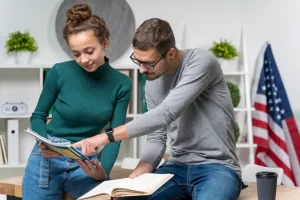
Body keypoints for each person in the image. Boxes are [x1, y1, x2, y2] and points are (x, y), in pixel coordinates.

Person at [74, 18, 244, 200]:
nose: (141, 70)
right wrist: (139, 173)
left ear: (170, 53)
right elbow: (156, 137)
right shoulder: (152, 83)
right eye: (137, 61)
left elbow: (166, 113)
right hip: (175, 167)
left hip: (217, 167)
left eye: (148, 63)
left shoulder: (201, 62)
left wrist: (107, 137)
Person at [22, 3, 132, 200]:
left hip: (85, 160)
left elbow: (114, 135)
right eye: (76, 53)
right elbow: (38, 116)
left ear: (105, 44)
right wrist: (43, 141)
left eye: (89, 51)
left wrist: (103, 171)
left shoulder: (122, 83)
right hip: (48, 158)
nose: (83, 60)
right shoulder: (59, 72)